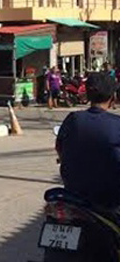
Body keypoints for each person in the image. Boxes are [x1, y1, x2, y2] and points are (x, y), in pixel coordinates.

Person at [56, 72, 119, 209]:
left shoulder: (73, 119)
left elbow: (59, 147)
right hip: (109, 197)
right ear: (113, 98)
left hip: (73, 191)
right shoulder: (117, 124)